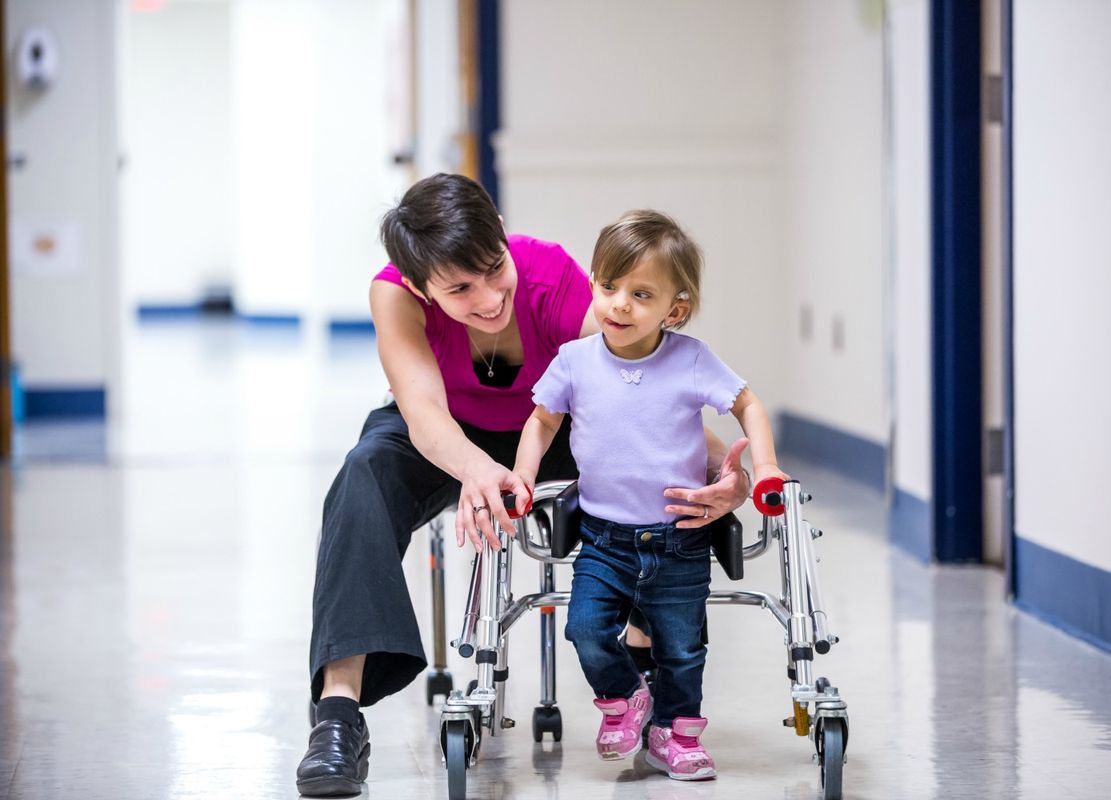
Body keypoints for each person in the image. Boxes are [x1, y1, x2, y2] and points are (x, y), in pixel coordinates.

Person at [295, 174, 751, 797]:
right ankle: (338, 714)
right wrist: (478, 470)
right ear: (421, 287)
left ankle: (645, 667)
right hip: (446, 431)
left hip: (548, 428)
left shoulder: (549, 273)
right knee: (361, 474)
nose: (488, 299)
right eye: (460, 289)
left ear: (503, 239)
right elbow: (423, 413)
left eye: (494, 269)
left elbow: (638, 393)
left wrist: (722, 468)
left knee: (648, 468)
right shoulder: (394, 294)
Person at [509, 210, 786, 781]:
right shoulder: (575, 361)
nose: (619, 305)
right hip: (603, 540)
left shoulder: (690, 359)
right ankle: (624, 698)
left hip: (679, 537)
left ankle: (674, 735)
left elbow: (748, 405)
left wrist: (765, 468)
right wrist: (523, 476)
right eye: (609, 286)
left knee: (681, 649)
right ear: (593, 283)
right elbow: (541, 421)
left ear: (673, 310)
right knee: (585, 629)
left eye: (641, 294)